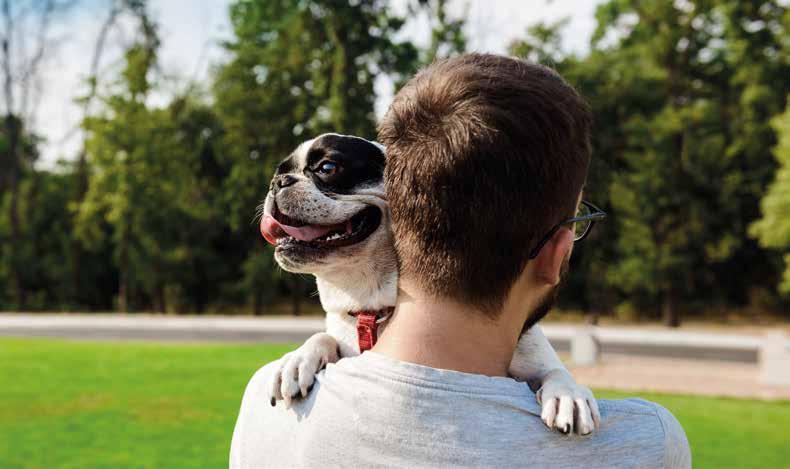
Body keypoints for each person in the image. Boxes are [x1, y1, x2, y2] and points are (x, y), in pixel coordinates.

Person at [230, 53, 691, 468]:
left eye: (327, 171)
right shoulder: (647, 445)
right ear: (557, 253)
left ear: (403, 211)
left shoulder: (263, 404)